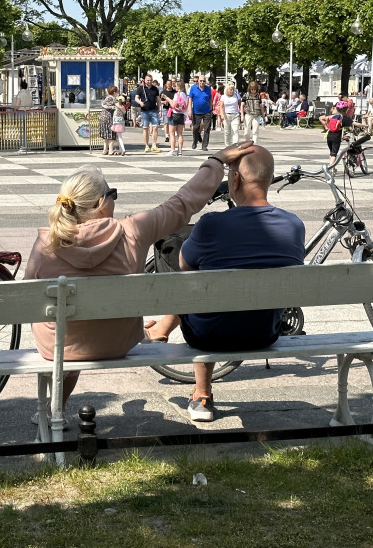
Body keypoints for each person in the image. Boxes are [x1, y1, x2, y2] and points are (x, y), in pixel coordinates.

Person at [24, 141, 257, 419]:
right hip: (118, 343)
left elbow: (30, 298)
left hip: (59, 347)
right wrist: (215, 161)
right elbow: (183, 203)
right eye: (112, 194)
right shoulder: (133, 230)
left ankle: (53, 411)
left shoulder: (45, 244)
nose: (114, 200)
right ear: (101, 205)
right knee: (83, 328)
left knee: (68, 325)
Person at [144, 145, 306, 422]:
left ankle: (201, 392)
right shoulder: (294, 225)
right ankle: (165, 331)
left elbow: (185, 266)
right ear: (269, 179)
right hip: (265, 332)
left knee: (191, 274)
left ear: (234, 180)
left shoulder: (211, 225)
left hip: (208, 335)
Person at [134, 74, 162, 153]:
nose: (149, 82)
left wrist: (159, 109)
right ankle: (146, 145)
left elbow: (158, 99)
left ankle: (154, 145)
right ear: (145, 80)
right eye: (148, 80)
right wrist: (140, 102)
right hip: (145, 111)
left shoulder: (155, 89)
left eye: (150, 80)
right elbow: (136, 98)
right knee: (145, 128)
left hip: (154, 110)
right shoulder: (141, 88)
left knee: (155, 127)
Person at [161, 79, 187, 156]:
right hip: (182, 115)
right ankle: (180, 151)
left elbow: (173, 105)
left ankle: (172, 150)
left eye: (175, 86)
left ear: (178, 87)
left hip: (174, 114)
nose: (174, 87)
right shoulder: (184, 95)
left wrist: (167, 99)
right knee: (180, 134)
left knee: (171, 133)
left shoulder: (177, 94)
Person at [188, 76, 214, 150]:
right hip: (196, 111)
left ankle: (204, 145)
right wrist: (189, 110)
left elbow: (210, 100)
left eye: (203, 81)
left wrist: (211, 109)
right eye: (201, 81)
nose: (202, 82)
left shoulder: (208, 89)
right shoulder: (193, 88)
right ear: (198, 81)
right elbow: (190, 99)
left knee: (207, 128)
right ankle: (195, 141)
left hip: (207, 111)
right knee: (195, 128)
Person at [99, 84, 117, 155]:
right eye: (117, 92)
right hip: (109, 117)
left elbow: (103, 105)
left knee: (106, 135)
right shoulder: (113, 98)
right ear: (114, 92)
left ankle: (105, 150)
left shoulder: (106, 98)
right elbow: (117, 106)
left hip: (103, 117)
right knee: (111, 134)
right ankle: (111, 150)